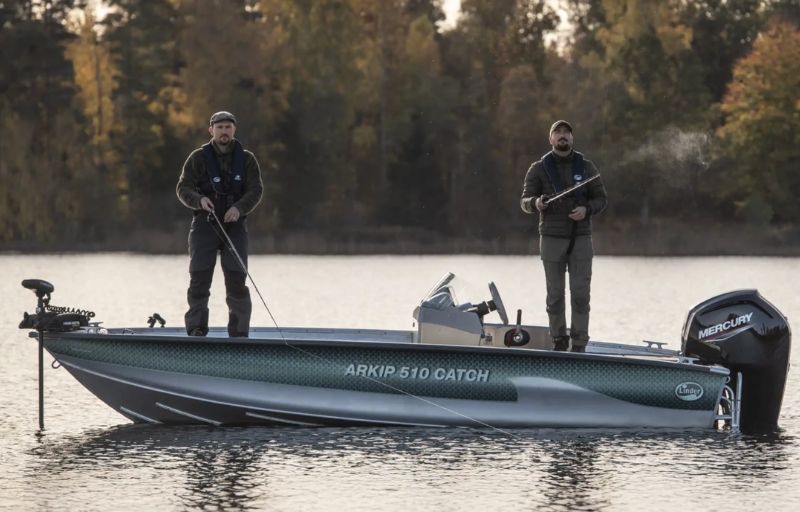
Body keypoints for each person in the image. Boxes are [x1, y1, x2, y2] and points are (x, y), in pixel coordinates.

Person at [520, 120, 607, 352]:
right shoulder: (538, 168)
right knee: (555, 295)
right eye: (557, 132)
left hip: (581, 238)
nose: (562, 136)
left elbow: (601, 199)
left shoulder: (587, 167)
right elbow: (524, 201)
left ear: (572, 138)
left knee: (581, 294)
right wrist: (536, 203)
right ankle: (559, 340)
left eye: (566, 132)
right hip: (551, 238)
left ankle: (579, 344)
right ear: (550, 139)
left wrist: (586, 209)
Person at [177, 111, 263, 337]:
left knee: (237, 281)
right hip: (205, 224)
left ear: (234, 130)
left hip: (234, 225)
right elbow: (183, 188)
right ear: (211, 130)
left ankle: (239, 333)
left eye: (228, 127)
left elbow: (256, 190)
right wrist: (199, 200)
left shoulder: (247, 159)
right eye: (220, 127)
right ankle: (196, 329)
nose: (224, 131)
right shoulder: (197, 158)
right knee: (199, 279)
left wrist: (239, 208)